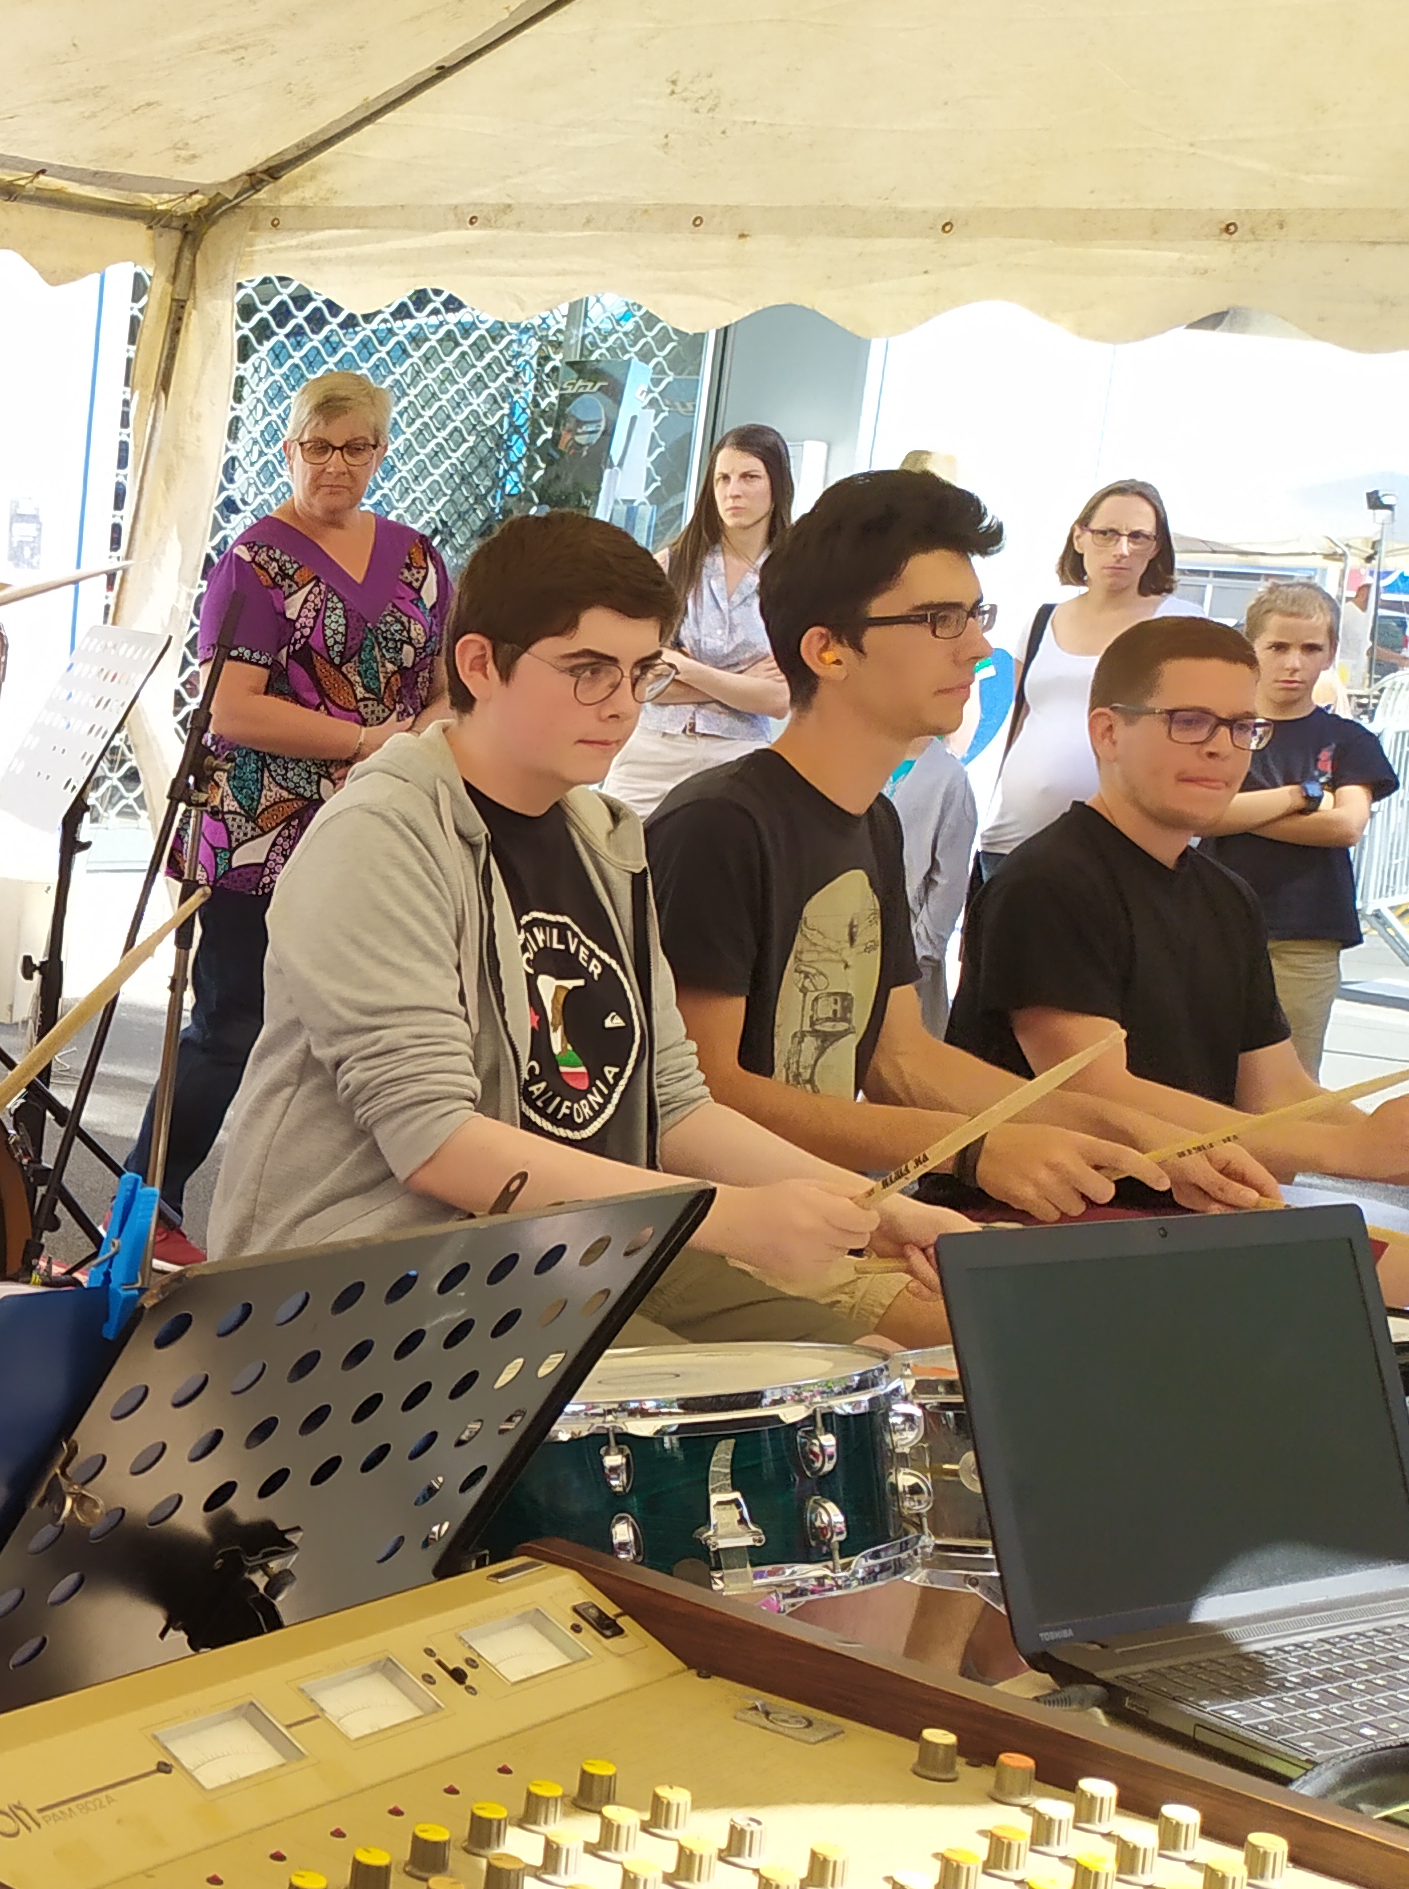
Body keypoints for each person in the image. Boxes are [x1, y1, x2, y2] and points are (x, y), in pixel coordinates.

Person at [206, 511, 962, 1347]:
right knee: (744, 1415)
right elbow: (436, 1144)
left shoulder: (605, 837)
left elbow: (674, 1104)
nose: (622, 707)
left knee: (859, 1363)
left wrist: (880, 1209)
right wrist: (733, 1219)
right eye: (587, 670)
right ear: (479, 664)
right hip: (377, 1276)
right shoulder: (381, 832)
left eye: (640, 674)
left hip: (575, 1244)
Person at [647, 469, 1247, 1227]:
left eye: (974, 613)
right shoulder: (718, 825)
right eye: (939, 620)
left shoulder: (874, 821)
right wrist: (972, 1148)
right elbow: (705, 1096)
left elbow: (902, 1059)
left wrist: (1130, 1133)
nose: (978, 648)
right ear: (828, 651)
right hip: (731, 1236)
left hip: (844, 1221)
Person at [945, 615, 1409, 1305]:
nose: (1220, 748)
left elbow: (1278, 1093)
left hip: (1192, 1208)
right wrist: (1358, 1155)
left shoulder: (1225, 896)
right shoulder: (1050, 881)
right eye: (1189, 721)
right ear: (1108, 731)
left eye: (1242, 727)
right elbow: (1095, 1092)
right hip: (1053, 1216)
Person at [155, 367, 449, 1212]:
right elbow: (233, 710)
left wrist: (405, 749)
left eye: (357, 447)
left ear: (381, 452)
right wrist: (362, 739)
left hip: (379, 825)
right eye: (318, 447)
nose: (336, 465)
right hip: (258, 829)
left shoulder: (420, 560)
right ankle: (149, 1199)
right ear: (289, 449)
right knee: (230, 1026)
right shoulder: (254, 562)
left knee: (362, 1027)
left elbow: (443, 687)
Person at [1203, 583, 1397, 1076]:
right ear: (1251, 648)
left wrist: (1242, 810)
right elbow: (1202, 812)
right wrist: (1303, 797)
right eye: (1278, 647)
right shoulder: (1217, 728)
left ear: (1331, 653)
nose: (1294, 663)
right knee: (1197, 1070)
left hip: (1306, 933)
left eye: (1310, 649)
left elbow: (1347, 825)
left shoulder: (1349, 739)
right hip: (1208, 922)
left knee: (1292, 1077)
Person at [977, 479, 1179, 874]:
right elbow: (1021, 720)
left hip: (1121, 851)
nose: (1122, 550)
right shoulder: (1041, 620)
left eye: (1138, 537)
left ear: (1155, 548)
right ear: (1079, 537)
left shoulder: (1179, 624)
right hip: (1012, 843)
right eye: (1107, 533)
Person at [604, 424, 794, 816]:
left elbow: (778, 699)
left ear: (776, 485)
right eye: (722, 478)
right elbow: (644, 678)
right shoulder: (673, 564)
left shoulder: (794, 578)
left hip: (737, 755)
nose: (733, 491)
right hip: (654, 745)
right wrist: (741, 686)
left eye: (749, 477)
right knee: (607, 856)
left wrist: (684, 668)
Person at [891, 731, 978, 1035]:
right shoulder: (856, 759)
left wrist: (922, 950)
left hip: (910, 954)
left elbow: (950, 880)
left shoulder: (949, 780)